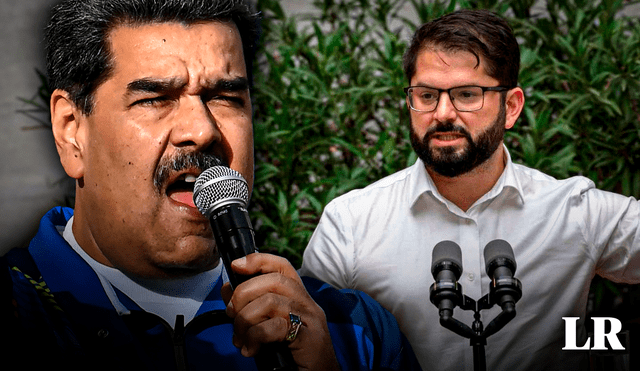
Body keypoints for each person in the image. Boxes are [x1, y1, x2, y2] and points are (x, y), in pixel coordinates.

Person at [0, 0, 422, 370]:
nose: (202, 131)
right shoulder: (22, 310)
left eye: (225, 97)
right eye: (155, 98)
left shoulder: (354, 333)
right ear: (72, 131)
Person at [300, 8, 640, 371]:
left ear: (510, 107)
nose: (443, 113)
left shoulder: (574, 212)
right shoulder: (351, 224)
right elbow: (307, 341)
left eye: (466, 94)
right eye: (427, 95)